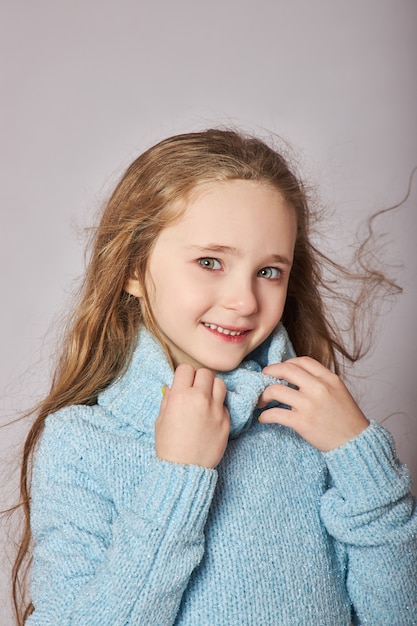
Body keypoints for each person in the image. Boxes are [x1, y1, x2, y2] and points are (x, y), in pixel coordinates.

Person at [13, 129, 417, 625]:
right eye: (210, 262)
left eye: (269, 271)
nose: (245, 301)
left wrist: (362, 460)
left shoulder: (315, 423)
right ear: (133, 269)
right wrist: (178, 479)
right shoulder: (82, 445)